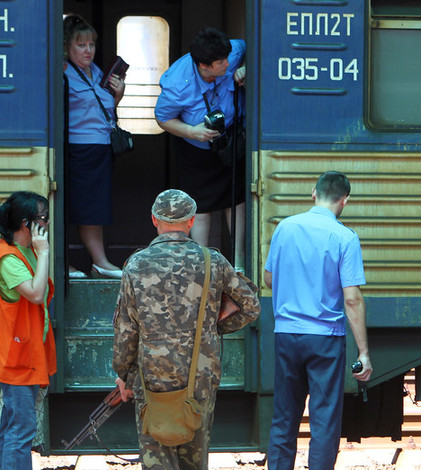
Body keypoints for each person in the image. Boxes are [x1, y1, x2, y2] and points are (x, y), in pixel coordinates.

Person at [112, 189, 261, 469]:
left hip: (152, 373)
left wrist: (123, 373)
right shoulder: (212, 260)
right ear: (191, 221)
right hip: (200, 372)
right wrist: (213, 329)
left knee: (156, 451)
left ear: (154, 220)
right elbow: (250, 305)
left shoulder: (136, 264)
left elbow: (126, 329)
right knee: (195, 455)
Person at [263, 171, 374, 470]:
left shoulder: (284, 228)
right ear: (344, 201)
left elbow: (268, 278)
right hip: (325, 338)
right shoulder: (344, 237)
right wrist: (363, 352)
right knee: (324, 419)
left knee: (284, 416)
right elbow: (352, 299)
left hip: (286, 334)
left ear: (314, 193)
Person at [154, 28, 247, 271]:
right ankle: (201, 262)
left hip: (229, 140)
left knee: (236, 199)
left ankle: (239, 262)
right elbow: (163, 118)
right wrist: (192, 132)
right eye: (221, 63)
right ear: (204, 66)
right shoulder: (176, 83)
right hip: (195, 147)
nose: (228, 64)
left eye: (228, 59)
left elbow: (251, 47)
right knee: (201, 204)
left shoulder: (233, 52)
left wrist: (248, 68)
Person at [0, 191, 56, 470]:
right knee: (21, 431)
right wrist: (45, 251)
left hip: (26, 352)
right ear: (27, 224)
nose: (47, 224)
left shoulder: (24, 252)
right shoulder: (8, 258)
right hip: (17, 357)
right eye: (43, 219)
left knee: (11, 428)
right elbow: (36, 294)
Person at [63, 14, 125, 278]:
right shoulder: (63, 73)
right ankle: (62, 263)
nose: (88, 50)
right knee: (76, 207)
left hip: (101, 148)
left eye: (91, 45)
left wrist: (118, 94)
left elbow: (105, 110)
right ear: (67, 47)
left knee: (96, 208)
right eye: (81, 45)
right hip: (79, 149)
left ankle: (100, 262)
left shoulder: (97, 71)